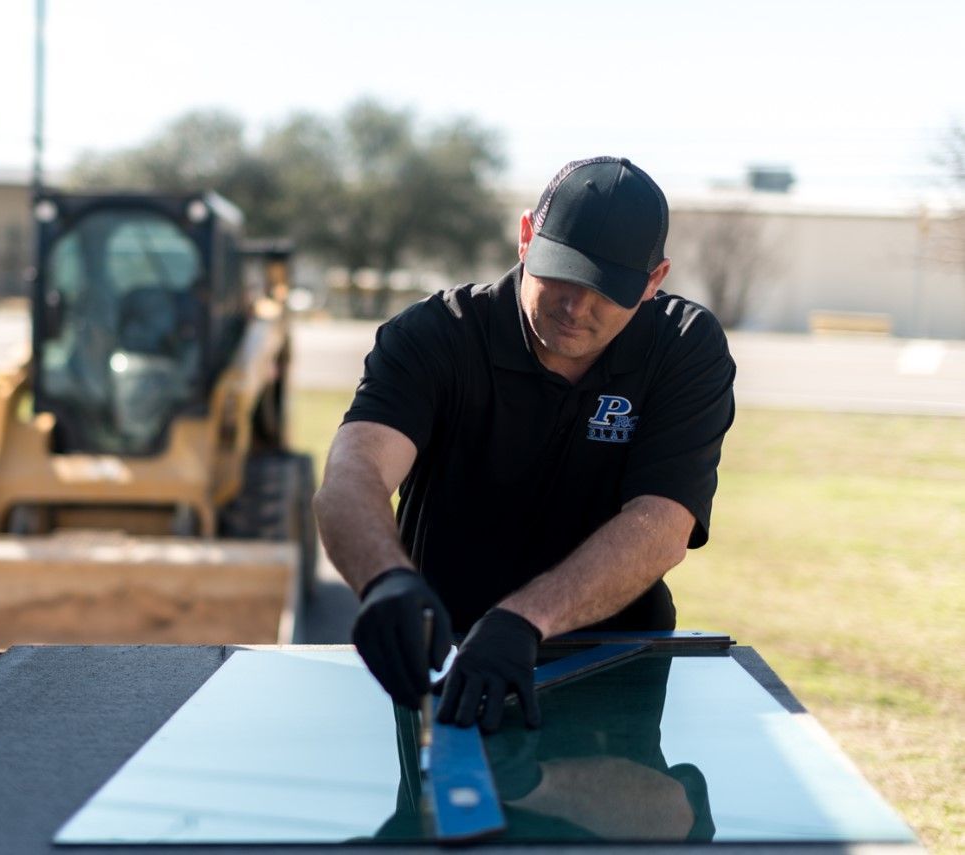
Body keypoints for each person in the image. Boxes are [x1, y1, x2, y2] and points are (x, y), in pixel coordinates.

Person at [313, 156, 736, 733]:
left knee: (640, 815)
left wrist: (524, 620)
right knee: (442, 818)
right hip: (443, 655)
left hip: (611, 656)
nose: (575, 306)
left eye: (606, 290)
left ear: (654, 281)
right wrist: (385, 579)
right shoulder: (435, 336)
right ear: (526, 237)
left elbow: (663, 524)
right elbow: (353, 472)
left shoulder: (684, 349)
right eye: (560, 273)